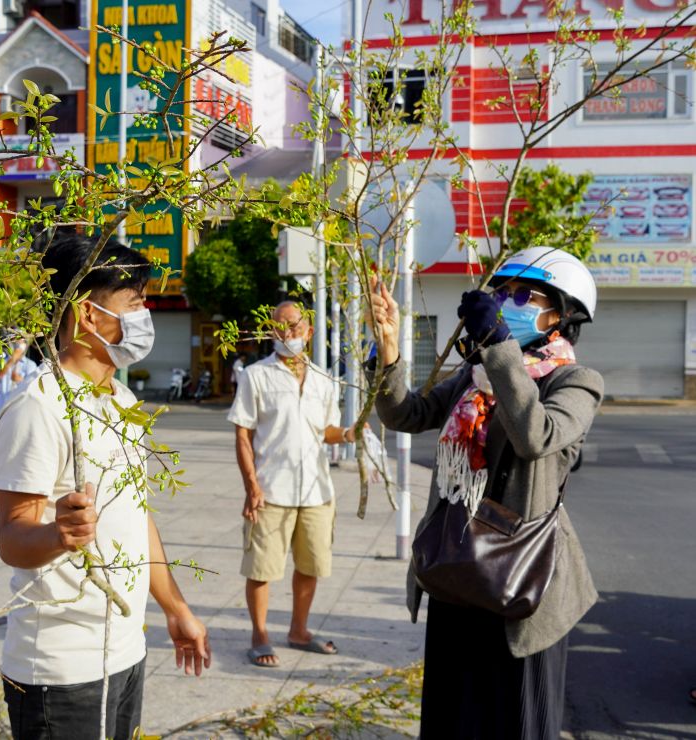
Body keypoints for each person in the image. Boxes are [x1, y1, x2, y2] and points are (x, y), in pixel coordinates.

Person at [368, 246, 603, 739]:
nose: (504, 304)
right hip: (457, 569)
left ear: (560, 314)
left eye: (521, 296)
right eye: (500, 294)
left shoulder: (576, 382)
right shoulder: (473, 376)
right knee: (452, 717)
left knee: (516, 721)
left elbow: (536, 435)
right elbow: (406, 415)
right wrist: (388, 349)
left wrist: (499, 346)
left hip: (523, 585)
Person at [0, 235, 211, 740]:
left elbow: (136, 515)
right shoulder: (38, 406)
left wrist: (176, 609)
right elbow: (12, 538)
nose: (144, 315)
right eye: (134, 303)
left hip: (126, 650)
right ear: (87, 314)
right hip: (63, 670)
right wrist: (58, 535)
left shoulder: (121, 399)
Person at [228, 301, 355, 668]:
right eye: (280, 326)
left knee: (311, 564)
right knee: (261, 568)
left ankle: (299, 630)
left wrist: (350, 433)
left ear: (309, 332)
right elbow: (243, 434)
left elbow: (326, 431)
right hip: (271, 490)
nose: (288, 333)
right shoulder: (255, 376)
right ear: (271, 331)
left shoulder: (323, 378)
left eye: (295, 326)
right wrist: (252, 486)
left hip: (317, 490)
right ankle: (260, 635)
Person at [0, 337, 37, 411]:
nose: (17, 344)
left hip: (19, 409)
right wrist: (12, 360)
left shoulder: (31, 364)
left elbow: (33, 387)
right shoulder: (0, 362)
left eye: (21, 341)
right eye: (14, 341)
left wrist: (21, 380)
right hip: (1, 407)